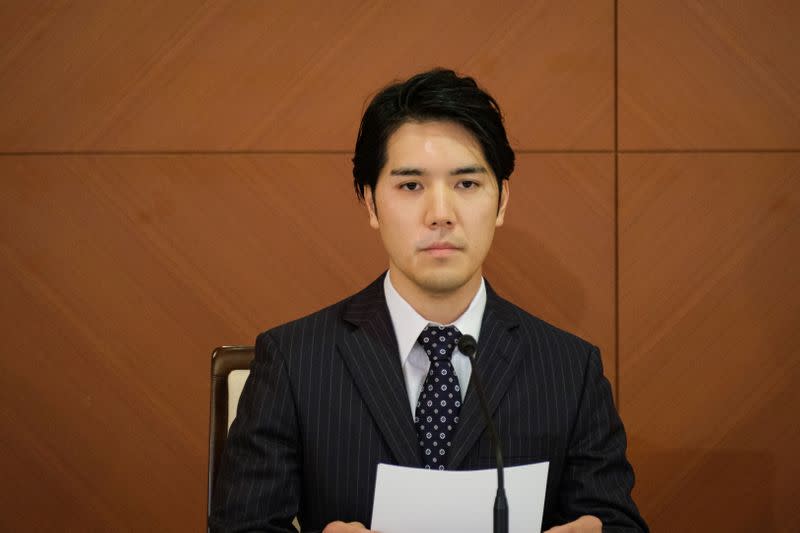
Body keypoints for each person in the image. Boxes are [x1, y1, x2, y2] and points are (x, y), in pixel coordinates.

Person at [210, 68, 648, 533]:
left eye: (466, 184)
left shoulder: (569, 370)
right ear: (371, 203)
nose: (440, 215)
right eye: (411, 186)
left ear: (501, 202)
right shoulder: (294, 362)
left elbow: (616, 522)